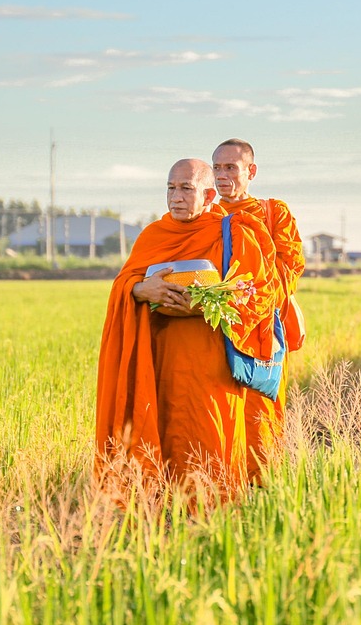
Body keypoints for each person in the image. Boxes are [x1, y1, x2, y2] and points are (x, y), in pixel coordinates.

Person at [95, 158, 280, 502]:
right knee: (160, 437)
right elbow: (126, 281)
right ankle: (159, 516)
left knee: (209, 439)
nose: (175, 197)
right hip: (159, 363)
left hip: (213, 366)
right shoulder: (153, 235)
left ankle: (214, 519)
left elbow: (258, 293)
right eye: (170, 188)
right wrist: (139, 289)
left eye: (186, 189)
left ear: (209, 194)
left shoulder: (237, 232)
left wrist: (206, 304)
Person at [211, 138, 305, 481]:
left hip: (260, 333)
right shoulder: (205, 214)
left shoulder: (272, 212)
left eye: (230, 167)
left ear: (250, 171)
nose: (222, 175)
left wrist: (242, 300)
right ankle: (219, 487)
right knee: (217, 415)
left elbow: (288, 271)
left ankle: (261, 488)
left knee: (260, 417)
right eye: (217, 168)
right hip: (210, 331)